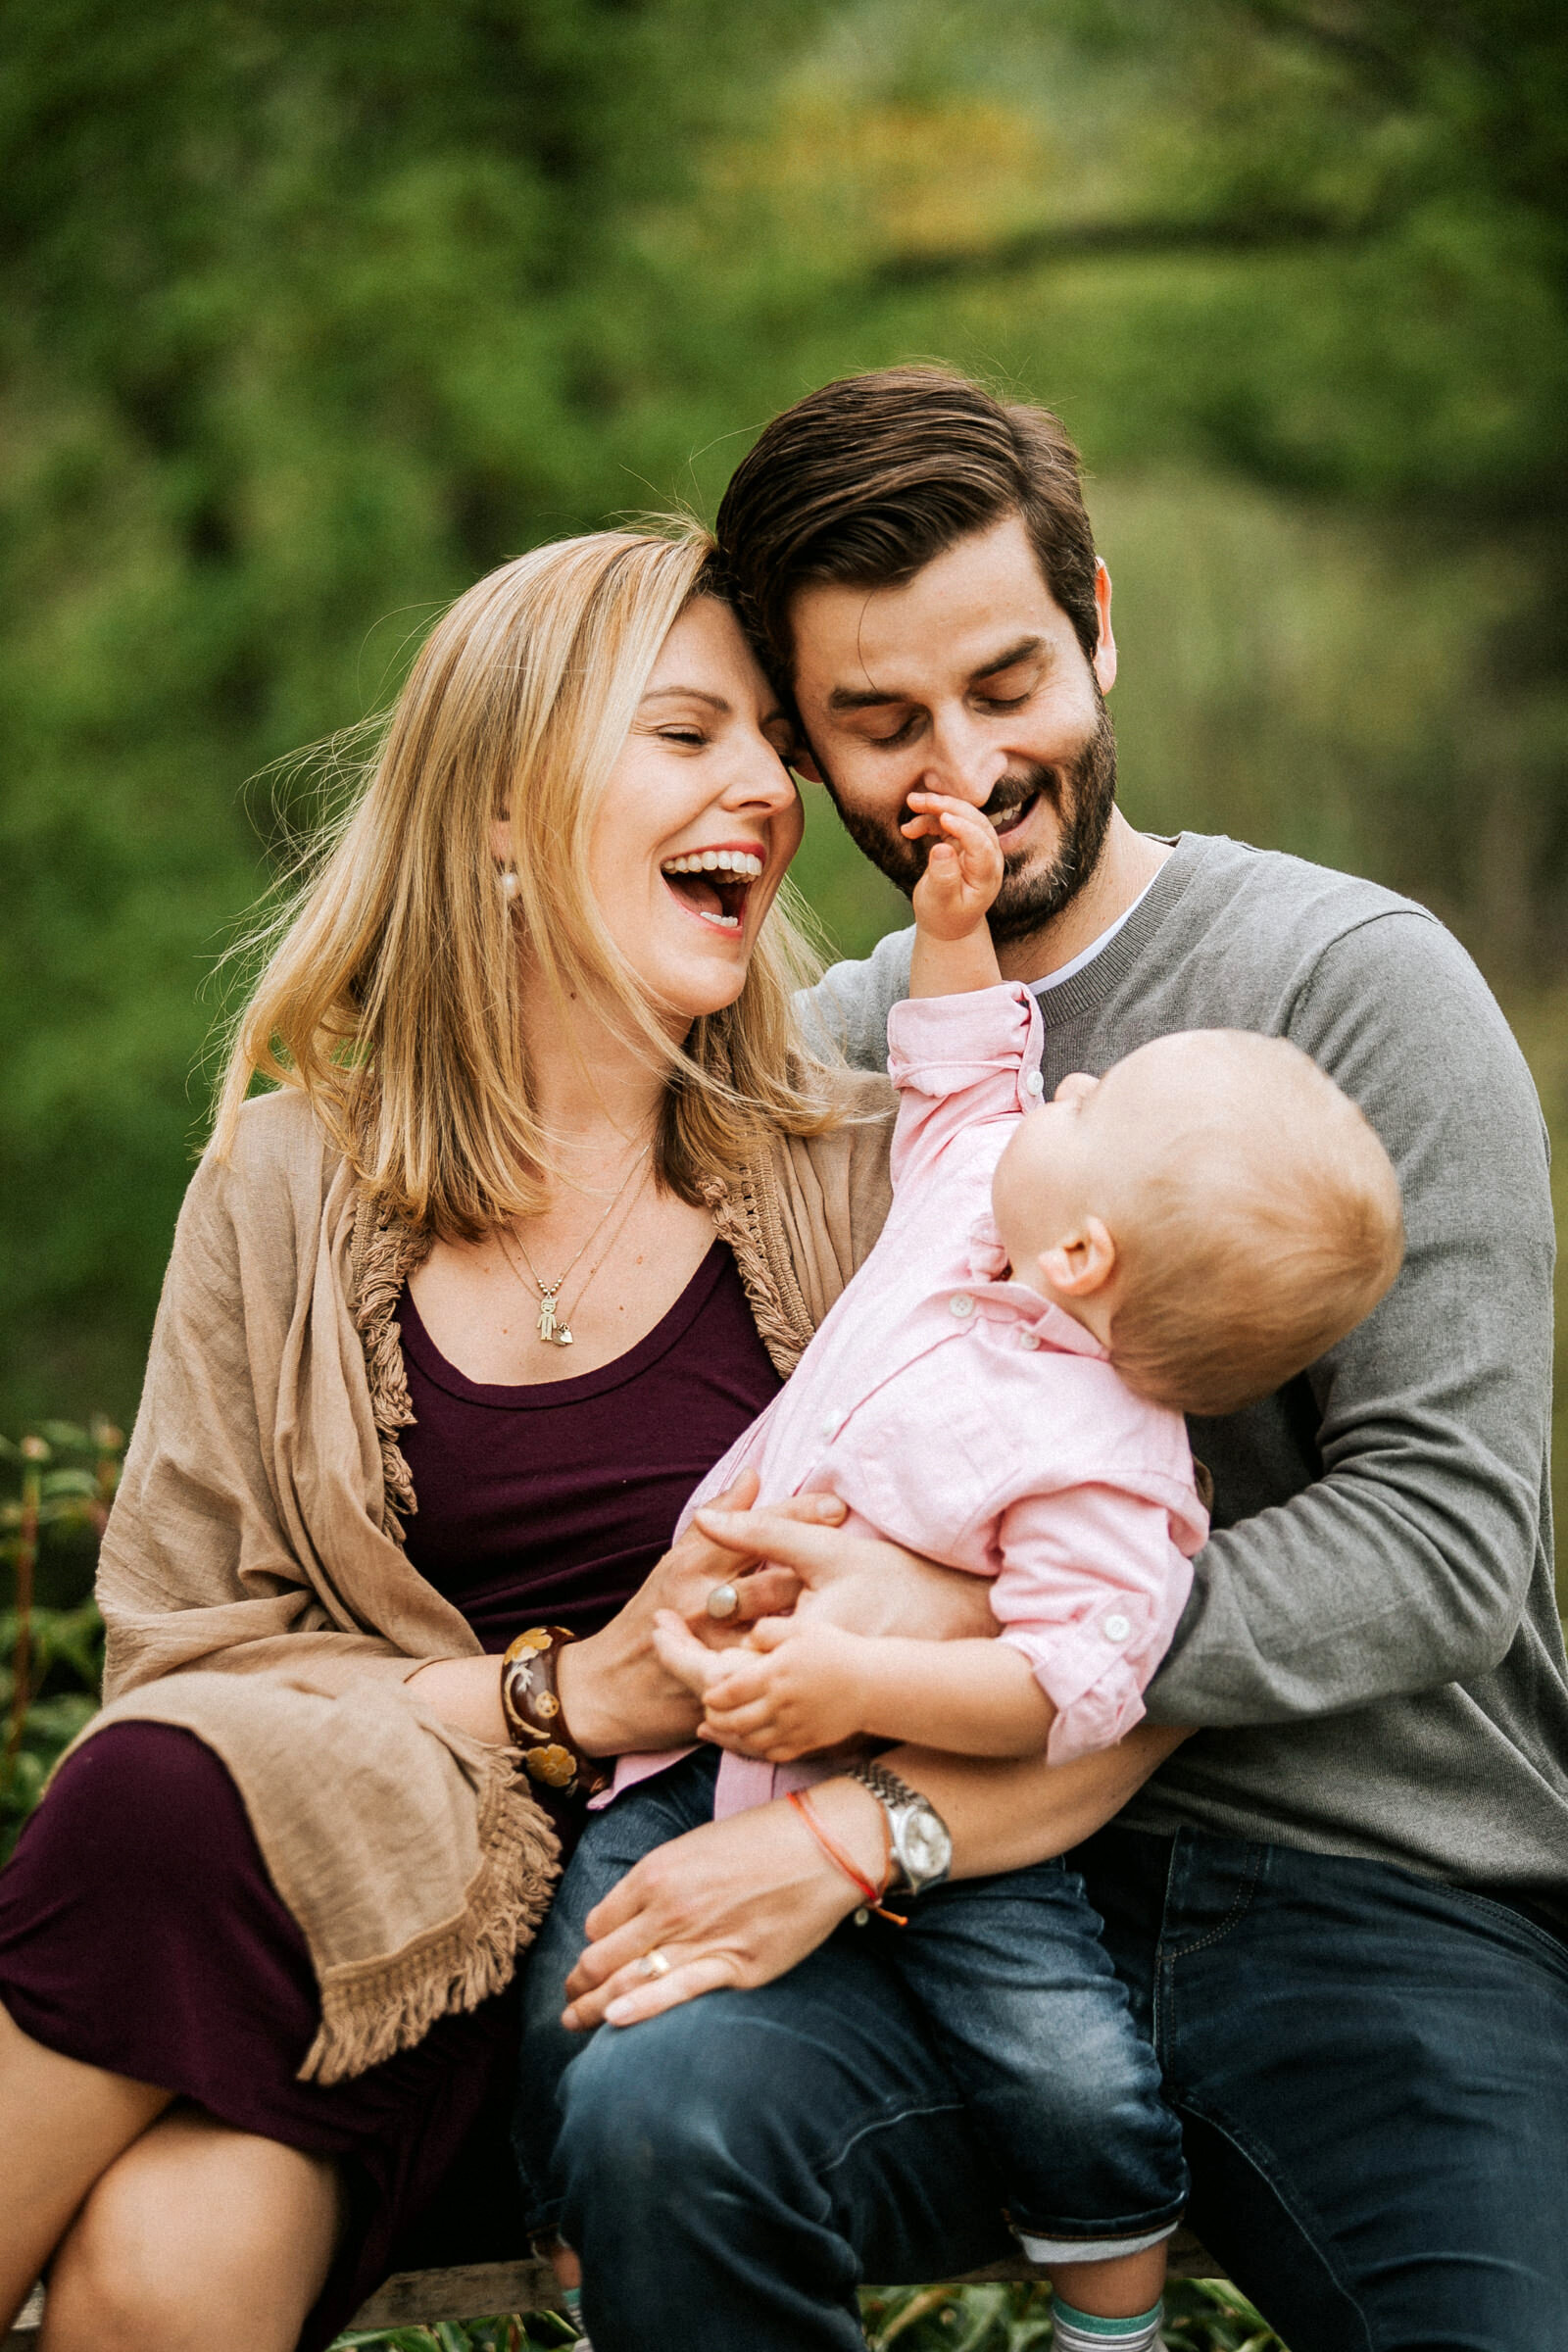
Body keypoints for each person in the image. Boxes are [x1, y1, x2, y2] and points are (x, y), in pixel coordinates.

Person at [524, 370, 1568, 2352]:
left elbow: (1436, 1546)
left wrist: (961, 1639)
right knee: (660, 2126)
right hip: (938, 1915)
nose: (965, 767)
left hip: (1368, 1887)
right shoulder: (825, 1062)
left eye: (1008, 683)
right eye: (880, 721)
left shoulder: (1351, 984)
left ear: (1096, 625)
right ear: (801, 748)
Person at [0, 522, 1108, 2352]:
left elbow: (1066, 1581)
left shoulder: (872, 1178)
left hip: (703, 1973)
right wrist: (574, 1696)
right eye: (686, 735)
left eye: (767, 740)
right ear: (503, 815)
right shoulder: (286, 1184)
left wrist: (859, 1635)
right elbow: (183, 1678)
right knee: (156, 2260)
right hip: (351, 1957)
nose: (762, 784)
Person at [523, 790, 1400, 2352]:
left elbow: (1070, 1682)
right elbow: (965, 1062)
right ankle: (591, 2261)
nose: (1055, 1089)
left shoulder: (1113, 1464)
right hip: (725, 1734)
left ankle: (1114, 2287)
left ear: (1085, 1258)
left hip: (936, 1794)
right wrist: (951, 928)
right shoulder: (965, 1200)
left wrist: (860, 1681)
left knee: (1052, 2046)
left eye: (1092, 1100)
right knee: (593, 1942)